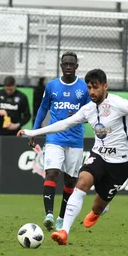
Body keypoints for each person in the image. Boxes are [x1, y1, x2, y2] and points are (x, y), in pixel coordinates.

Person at [17, 69, 128, 245]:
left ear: (105, 86)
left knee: (97, 207)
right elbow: (62, 124)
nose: (92, 92)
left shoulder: (118, 103)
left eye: (95, 87)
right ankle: (64, 232)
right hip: (99, 155)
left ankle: (98, 211)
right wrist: (33, 132)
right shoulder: (88, 109)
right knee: (82, 182)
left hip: (121, 163)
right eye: (89, 88)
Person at [30, 52, 92, 231]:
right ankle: (49, 214)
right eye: (65, 64)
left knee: (70, 181)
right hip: (55, 138)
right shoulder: (52, 86)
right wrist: (35, 130)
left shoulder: (83, 88)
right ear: (60, 65)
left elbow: (92, 113)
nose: (68, 67)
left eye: (71, 64)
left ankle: (61, 217)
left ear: (76, 66)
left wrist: (80, 117)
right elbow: (43, 109)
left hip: (75, 141)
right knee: (51, 173)